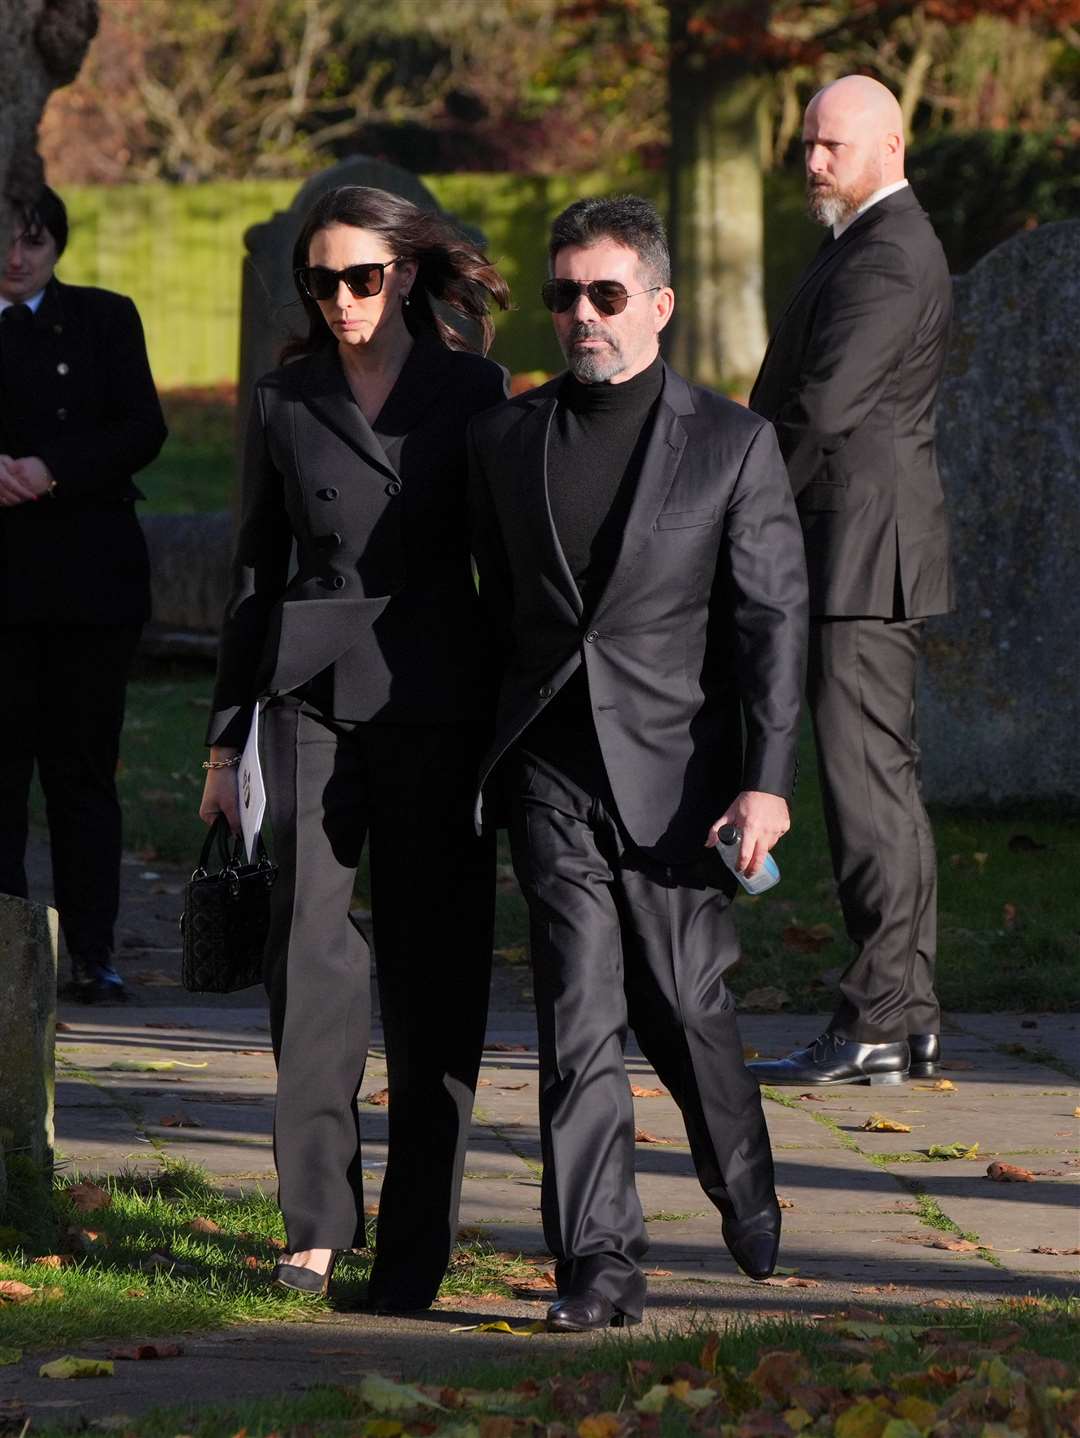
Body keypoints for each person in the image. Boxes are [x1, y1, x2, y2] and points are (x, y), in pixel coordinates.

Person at [468, 196, 808, 1332]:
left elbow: (771, 622)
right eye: (563, 294)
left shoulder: (731, 443)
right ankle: (600, 1265)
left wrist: (765, 780)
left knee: (684, 1007)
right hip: (550, 772)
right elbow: (500, 611)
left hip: (680, 784)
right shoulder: (505, 441)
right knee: (576, 1019)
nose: (582, 316)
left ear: (659, 304)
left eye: (606, 294)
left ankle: (742, 1177)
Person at [199, 185, 509, 1306]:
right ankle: (317, 1223)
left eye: (362, 277)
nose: (339, 300)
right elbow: (251, 573)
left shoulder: (472, 392)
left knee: (437, 970)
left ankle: (417, 1244)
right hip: (307, 702)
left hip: (439, 704)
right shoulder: (286, 398)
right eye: (320, 281)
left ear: (410, 274)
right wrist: (225, 748)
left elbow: (507, 566)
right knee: (309, 969)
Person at [747, 76, 952, 1089]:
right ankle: (901, 1018)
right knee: (884, 793)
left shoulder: (888, 253)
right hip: (865, 549)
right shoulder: (869, 244)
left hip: (858, 553)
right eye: (809, 145)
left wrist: (738, 504)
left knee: (868, 795)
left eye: (832, 145)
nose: (813, 161)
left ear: (890, 144)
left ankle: (878, 1018)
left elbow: (822, 407)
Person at [0, 185, 166, 1004]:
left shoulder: (104, 318)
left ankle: (92, 951)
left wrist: (52, 467)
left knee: (82, 776)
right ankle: (7, 956)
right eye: (5, 239)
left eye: (33, 239)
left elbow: (143, 427)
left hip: (87, 586)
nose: (16, 255)